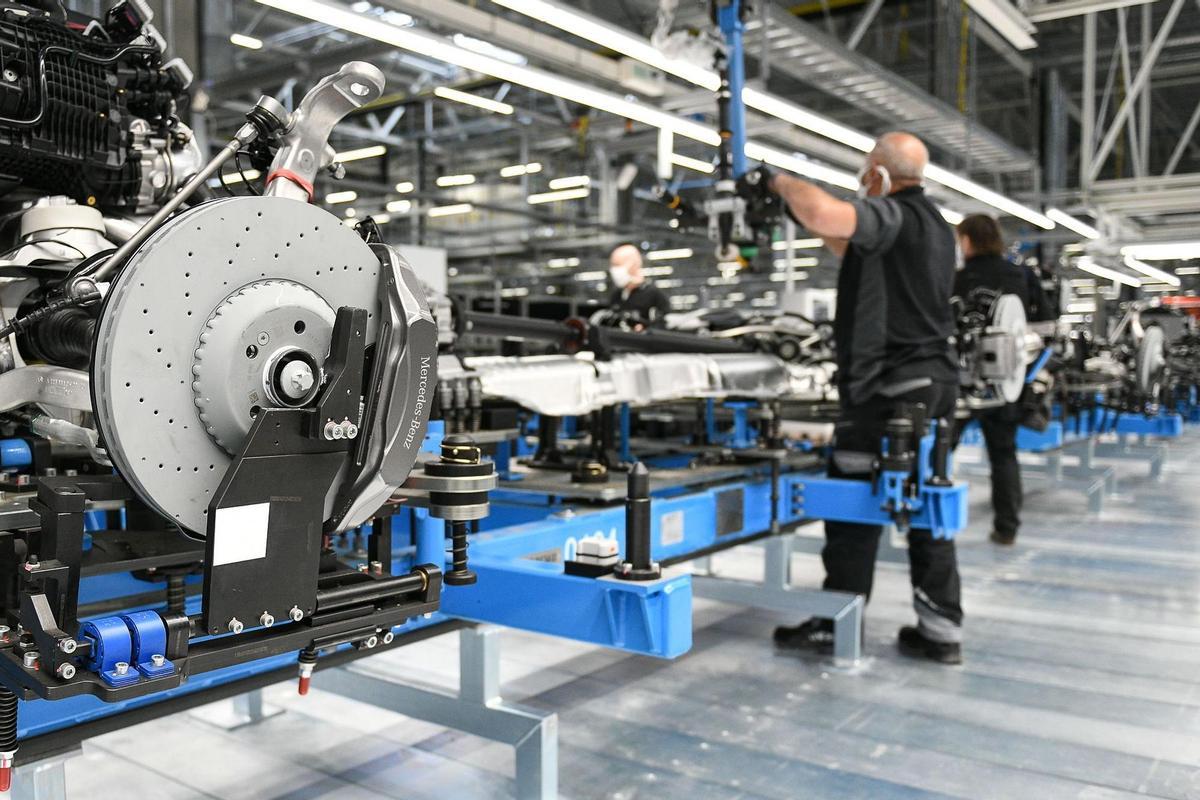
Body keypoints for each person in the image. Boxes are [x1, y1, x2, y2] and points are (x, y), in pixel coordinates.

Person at [762, 131, 964, 664]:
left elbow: (830, 217)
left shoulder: (893, 214)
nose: (860, 182)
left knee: (852, 507)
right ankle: (941, 632)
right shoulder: (938, 228)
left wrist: (777, 181)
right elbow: (839, 239)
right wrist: (792, 212)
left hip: (887, 391)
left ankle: (837, 626)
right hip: (934, 385)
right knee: (927, 500)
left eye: (864, 172)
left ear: (878, 174)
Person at [953, 214, 1051, 546]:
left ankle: (925, 522)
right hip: (1006, 381)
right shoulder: (1020, 275)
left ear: (966, 241)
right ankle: (1006, 528)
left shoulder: (956, 278)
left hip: (961, 382)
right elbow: (1044, 324)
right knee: (1003, 454)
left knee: (940, 448)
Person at [607, 243, 670, 326]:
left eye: (617, 265)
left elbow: (663, 326)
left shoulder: (654, 295)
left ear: (634, 263)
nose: (614, 270)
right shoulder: (616, 296)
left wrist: (645, 329)